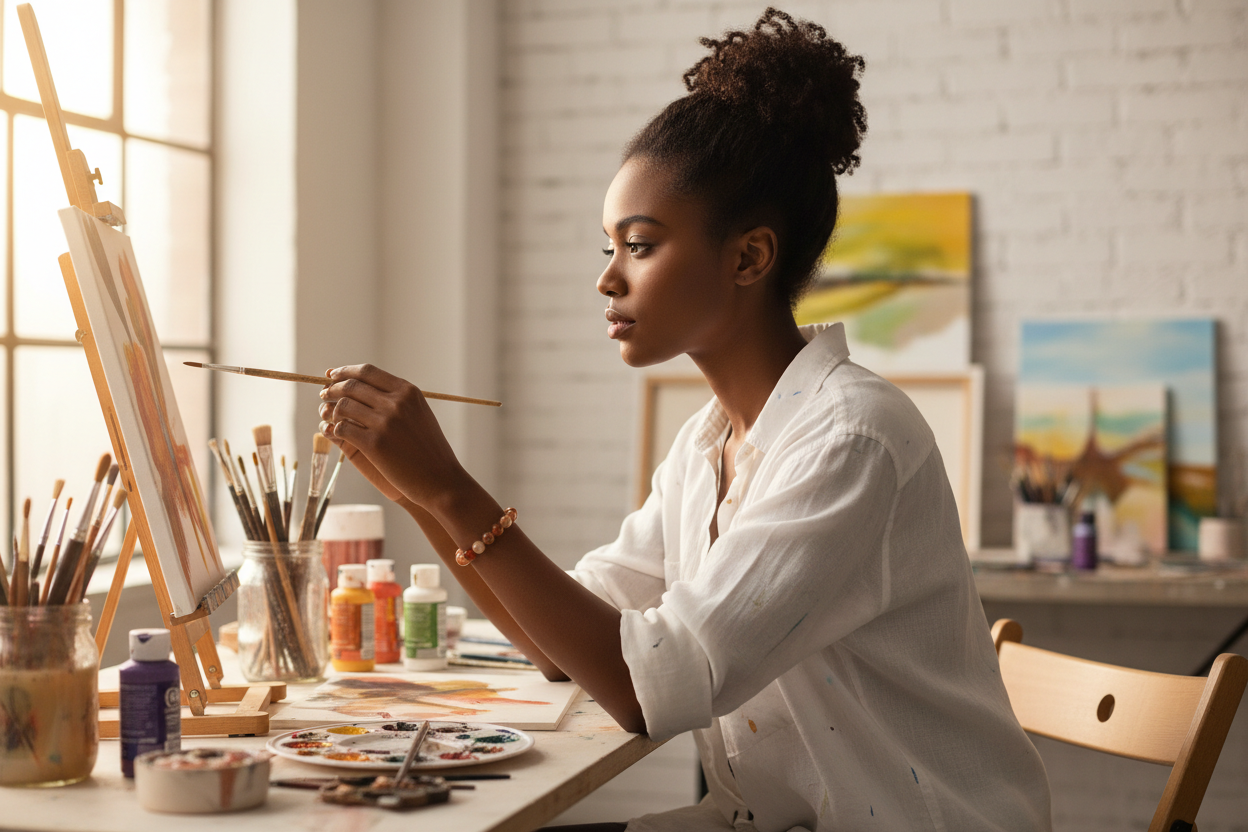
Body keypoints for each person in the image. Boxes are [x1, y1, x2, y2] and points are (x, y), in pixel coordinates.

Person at [317, 8, 1052, 831]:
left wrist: (453, 489)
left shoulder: (850, 440)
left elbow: (643, 688)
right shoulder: (709, 445)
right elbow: (560, 647)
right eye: (609, 247)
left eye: (639, 244)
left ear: (748, 258)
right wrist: (417, 492)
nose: (608, 280)